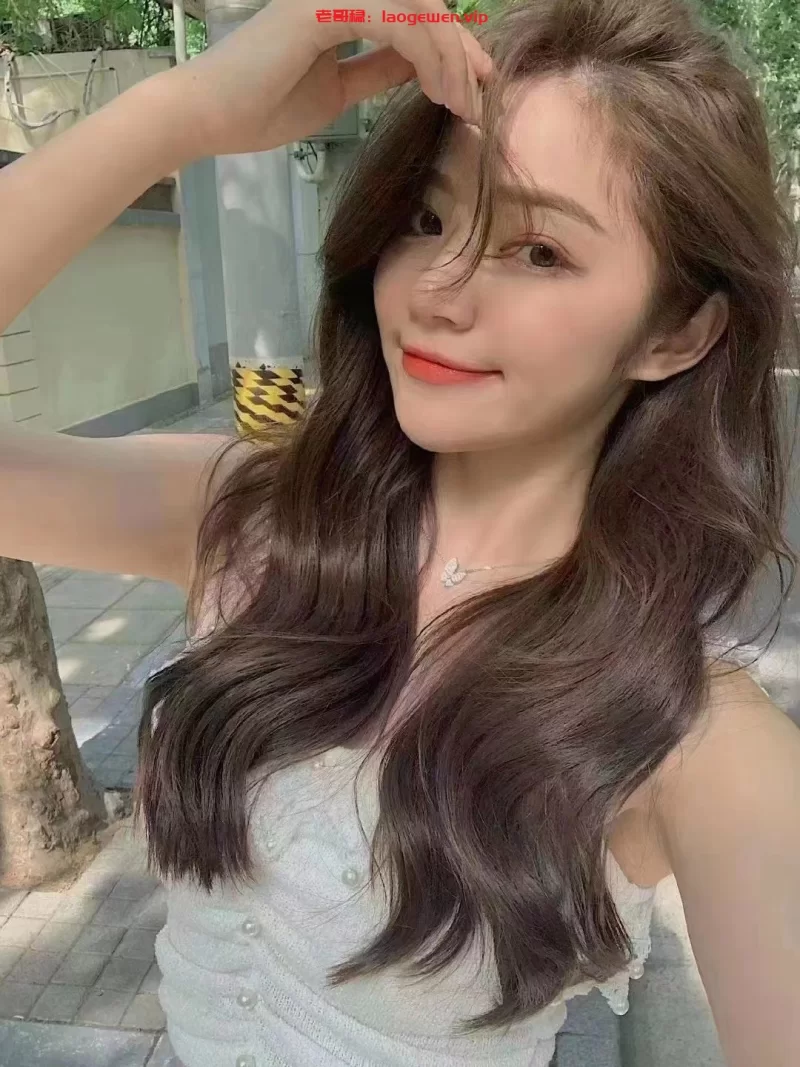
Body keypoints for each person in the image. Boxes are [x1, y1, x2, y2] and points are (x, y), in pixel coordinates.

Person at [0, 0, 799, 1064]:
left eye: (537, 249)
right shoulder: (251, 523)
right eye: (424, 218)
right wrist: (182, 115)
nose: (437, 289)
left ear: (677, 331)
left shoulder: (699, 737)